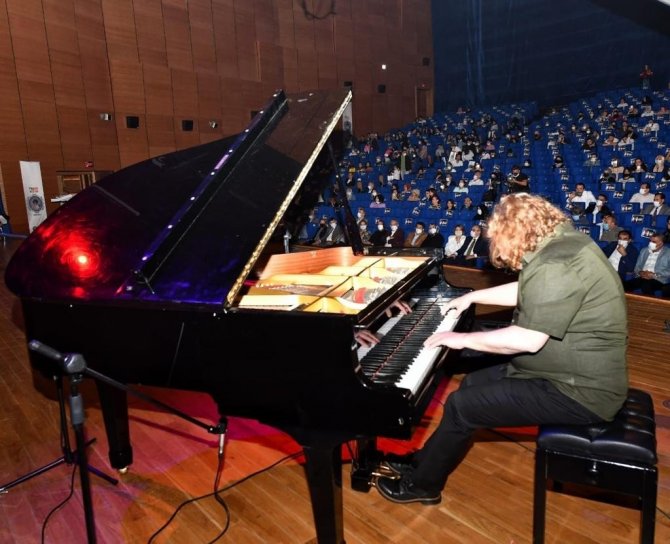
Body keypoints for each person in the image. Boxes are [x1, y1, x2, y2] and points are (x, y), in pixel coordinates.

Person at [375, 193, 628, 505]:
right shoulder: (563, 243)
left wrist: (460, 339)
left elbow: (528, 340)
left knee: (462, 405)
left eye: (499, 239)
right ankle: (423, 462)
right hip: (565, 373)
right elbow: (530, 289)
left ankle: (423, 486)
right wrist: (472, 297)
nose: (498, 249)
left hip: (580, 392)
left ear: (516, 232)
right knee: (472, 384)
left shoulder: (556, 262)